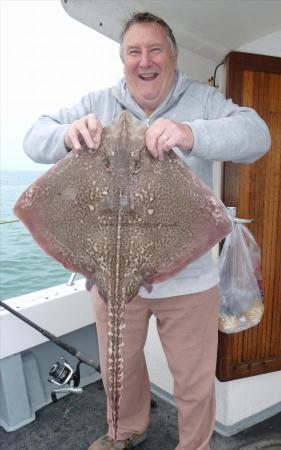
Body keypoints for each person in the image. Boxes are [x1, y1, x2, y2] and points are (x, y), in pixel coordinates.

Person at [23, 12, 271, 450]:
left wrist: (190, 133)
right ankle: (124, 431)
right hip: (111, 272)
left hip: (189, 277)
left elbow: (256, 135)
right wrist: (67, 134)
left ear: (172, 56)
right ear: (123, 60)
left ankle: (194, 446)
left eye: (155, 49)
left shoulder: (201, 100)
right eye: (134, 51)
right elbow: (34, 136)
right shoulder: (99, 102)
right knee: (119, 366)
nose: (145, 60)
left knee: (193, 378)